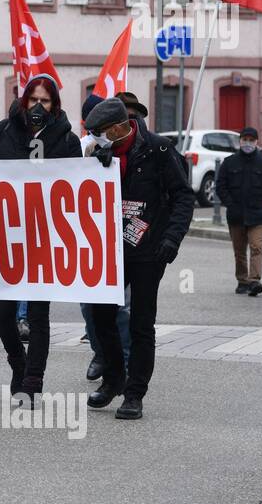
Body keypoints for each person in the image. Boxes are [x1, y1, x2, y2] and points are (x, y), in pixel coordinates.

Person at [0, 74, 81, 402]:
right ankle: (18, 363)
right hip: (7, 236)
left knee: (38, 315)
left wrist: (102, 164)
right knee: (3, 314)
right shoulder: (5, 130)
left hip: (45, 236)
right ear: (25, 100)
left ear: (55, 105)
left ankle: (33, 382)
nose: (39, 105)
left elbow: (81, 185)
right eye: (34, 98)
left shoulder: (67, 140)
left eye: (46, 100)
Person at [83, 96, 195, 420]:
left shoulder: (158, 150)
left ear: (120, 126)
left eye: (102, 132)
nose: (97, 138)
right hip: (111, 250)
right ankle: (114, 379)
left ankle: (134, 393)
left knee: (141, 323)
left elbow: (183, 197)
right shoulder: (102, 156)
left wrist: (172, 239)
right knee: (100, 316)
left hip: (149, 251)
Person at [77, 93, 129, 379]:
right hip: (91, 238)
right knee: (89, 307)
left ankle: (125, 363)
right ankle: (100, 353)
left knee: (123, 306)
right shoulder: (84, 148)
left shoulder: (133, 148)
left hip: (123, 237)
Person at [214, 126, 262, 296]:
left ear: (256, 142)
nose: (248, 143)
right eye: (245, 140)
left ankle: (254, 280)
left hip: (258, 214)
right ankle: (242, 280)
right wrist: (230, 203)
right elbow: (220, 187)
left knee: (256, 246)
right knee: (239, 251)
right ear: (240, 141)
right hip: (236, 215)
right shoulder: (229, 162)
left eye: (251, 140)